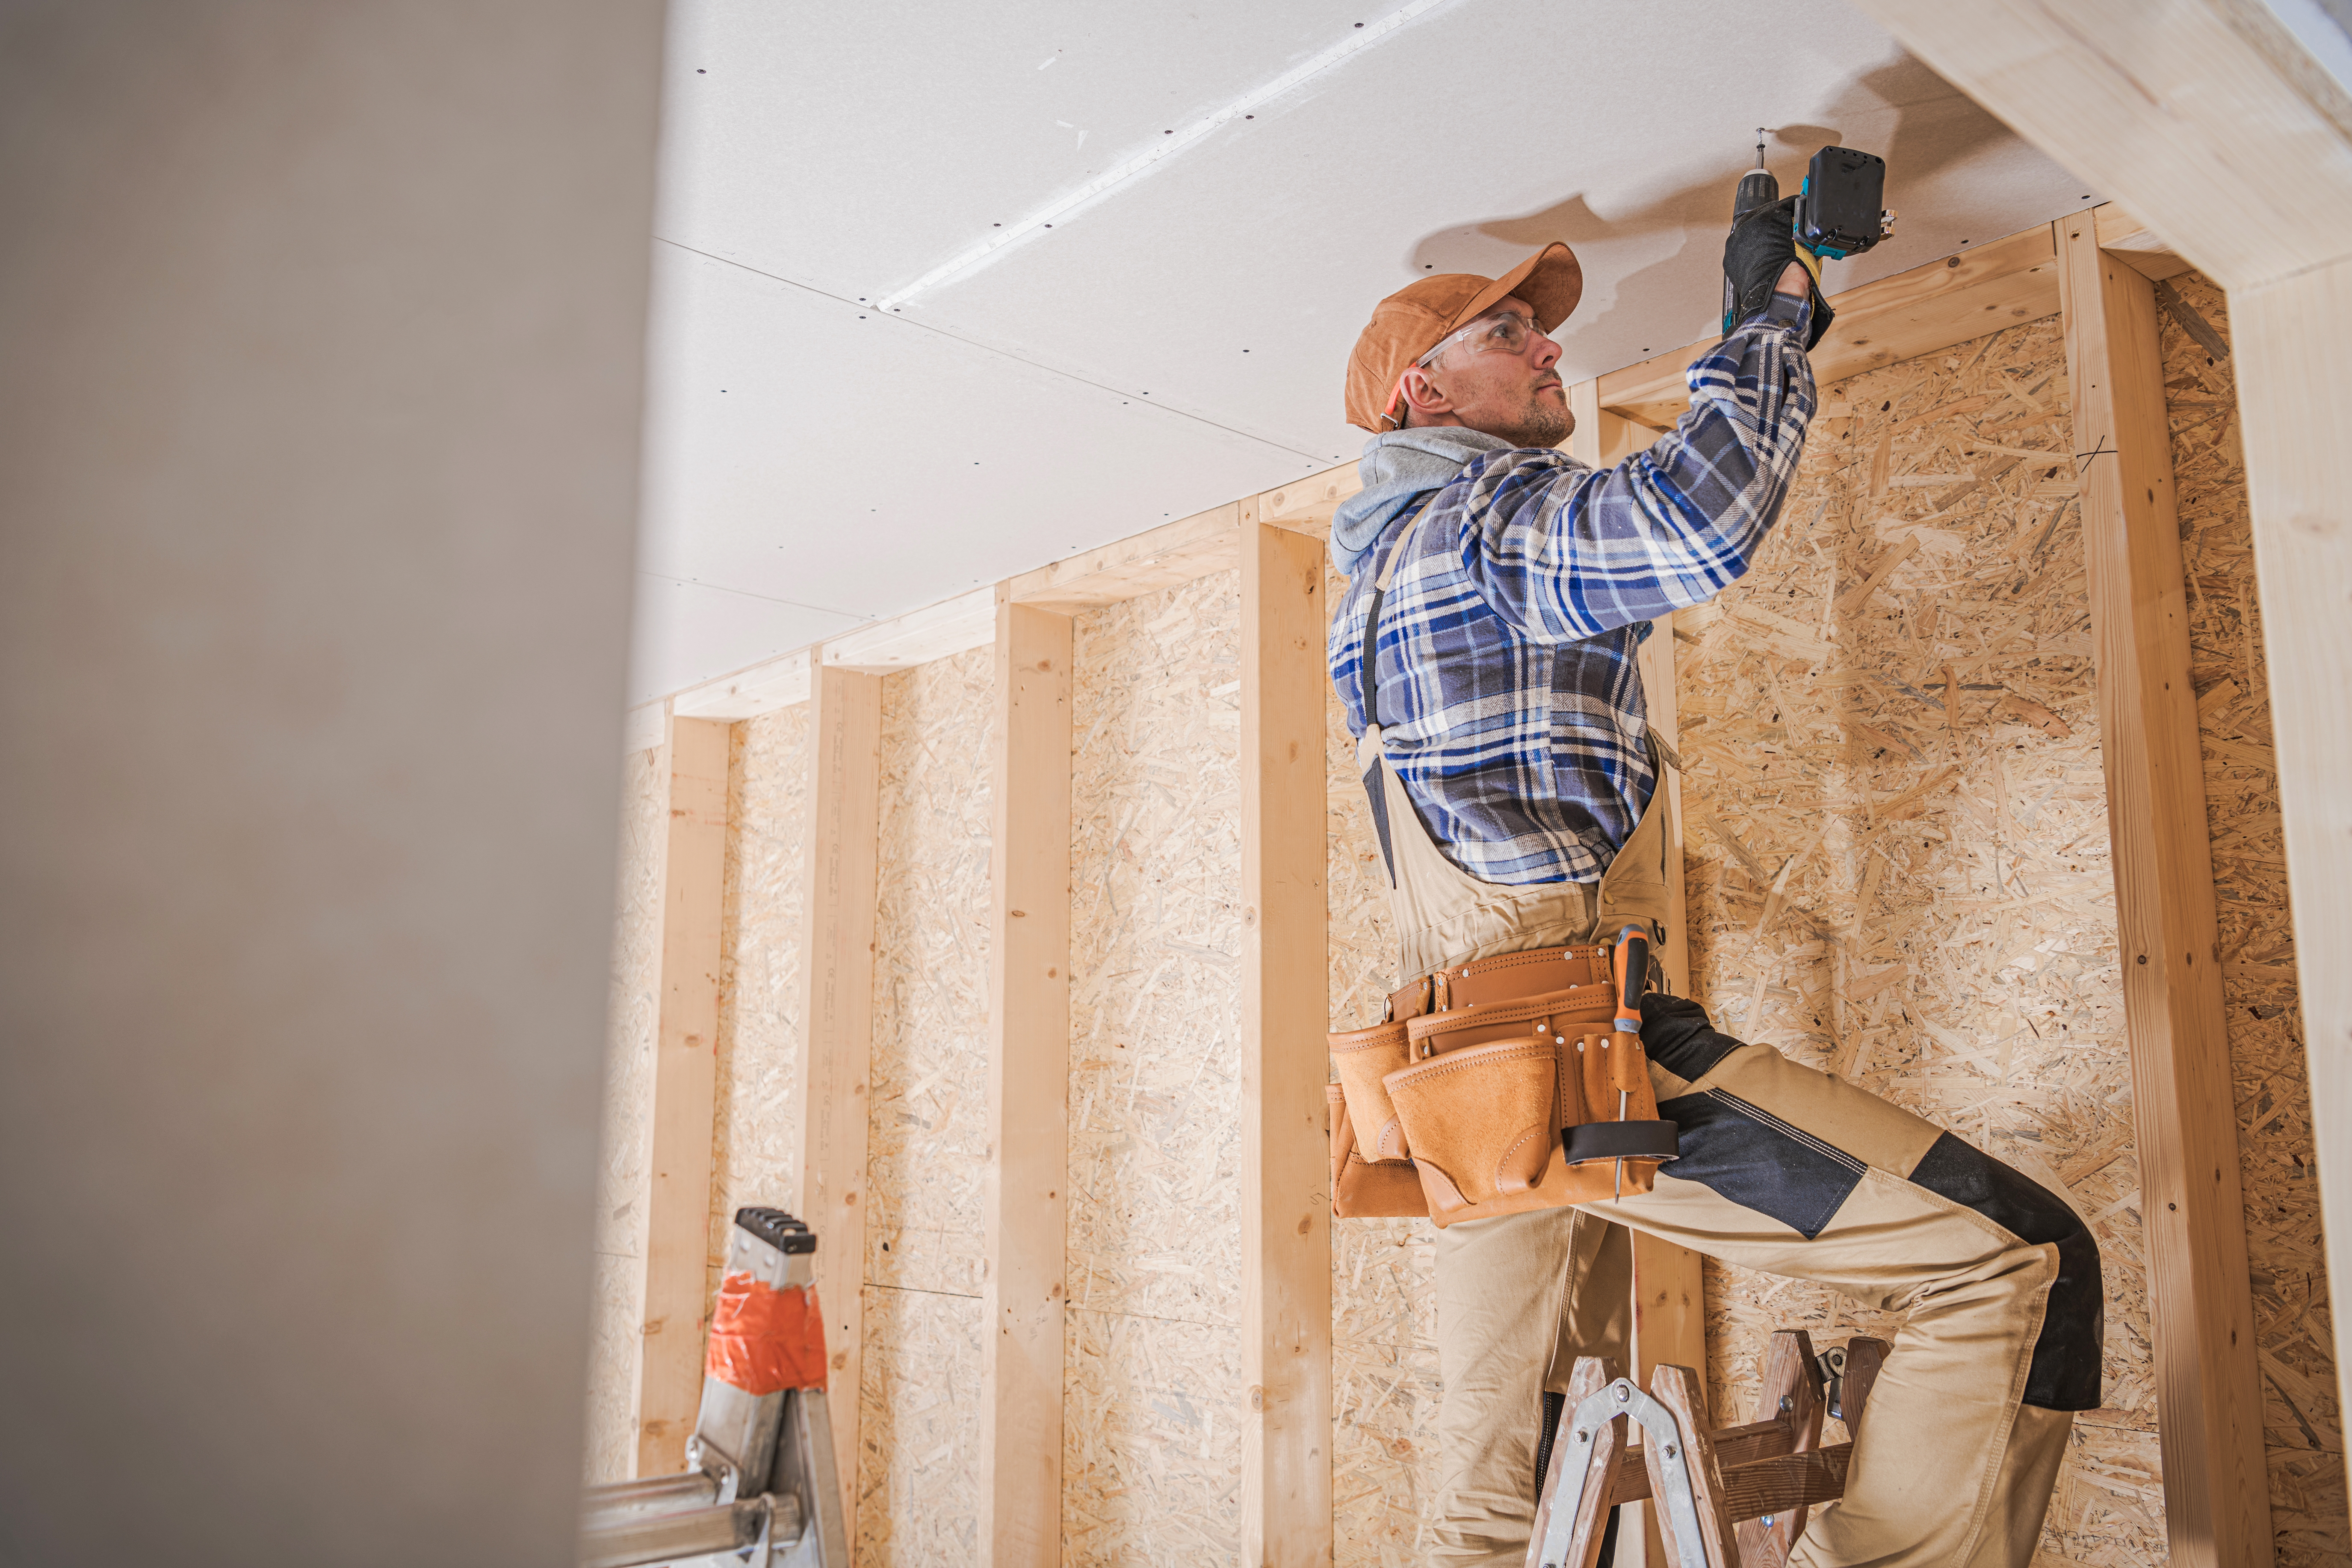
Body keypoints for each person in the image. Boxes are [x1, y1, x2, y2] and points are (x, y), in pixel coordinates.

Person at [1327, 204, 2102, 1568]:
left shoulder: (1390, 565)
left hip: (1465, 1077)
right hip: (1579, 1056)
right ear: (1421, 392)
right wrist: (1765, 323)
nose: (1546, 344)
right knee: (2006, 1261)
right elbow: (1691, 522)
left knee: (1494, 1494)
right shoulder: (1477, 521)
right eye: (1506, 332)